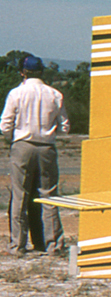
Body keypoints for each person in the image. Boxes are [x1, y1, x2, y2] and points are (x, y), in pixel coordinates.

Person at [2, 55, 70, 255]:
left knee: (19, 195)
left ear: (23, 72)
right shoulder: (55, 94)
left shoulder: (16, 93)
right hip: (46, 147)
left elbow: (5, 123)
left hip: (22, 144)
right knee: (49, 196)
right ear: (42, 72)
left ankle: (18, 245)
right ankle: (54, 245)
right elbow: (65, 126)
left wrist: (11, 138)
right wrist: (51, 133)